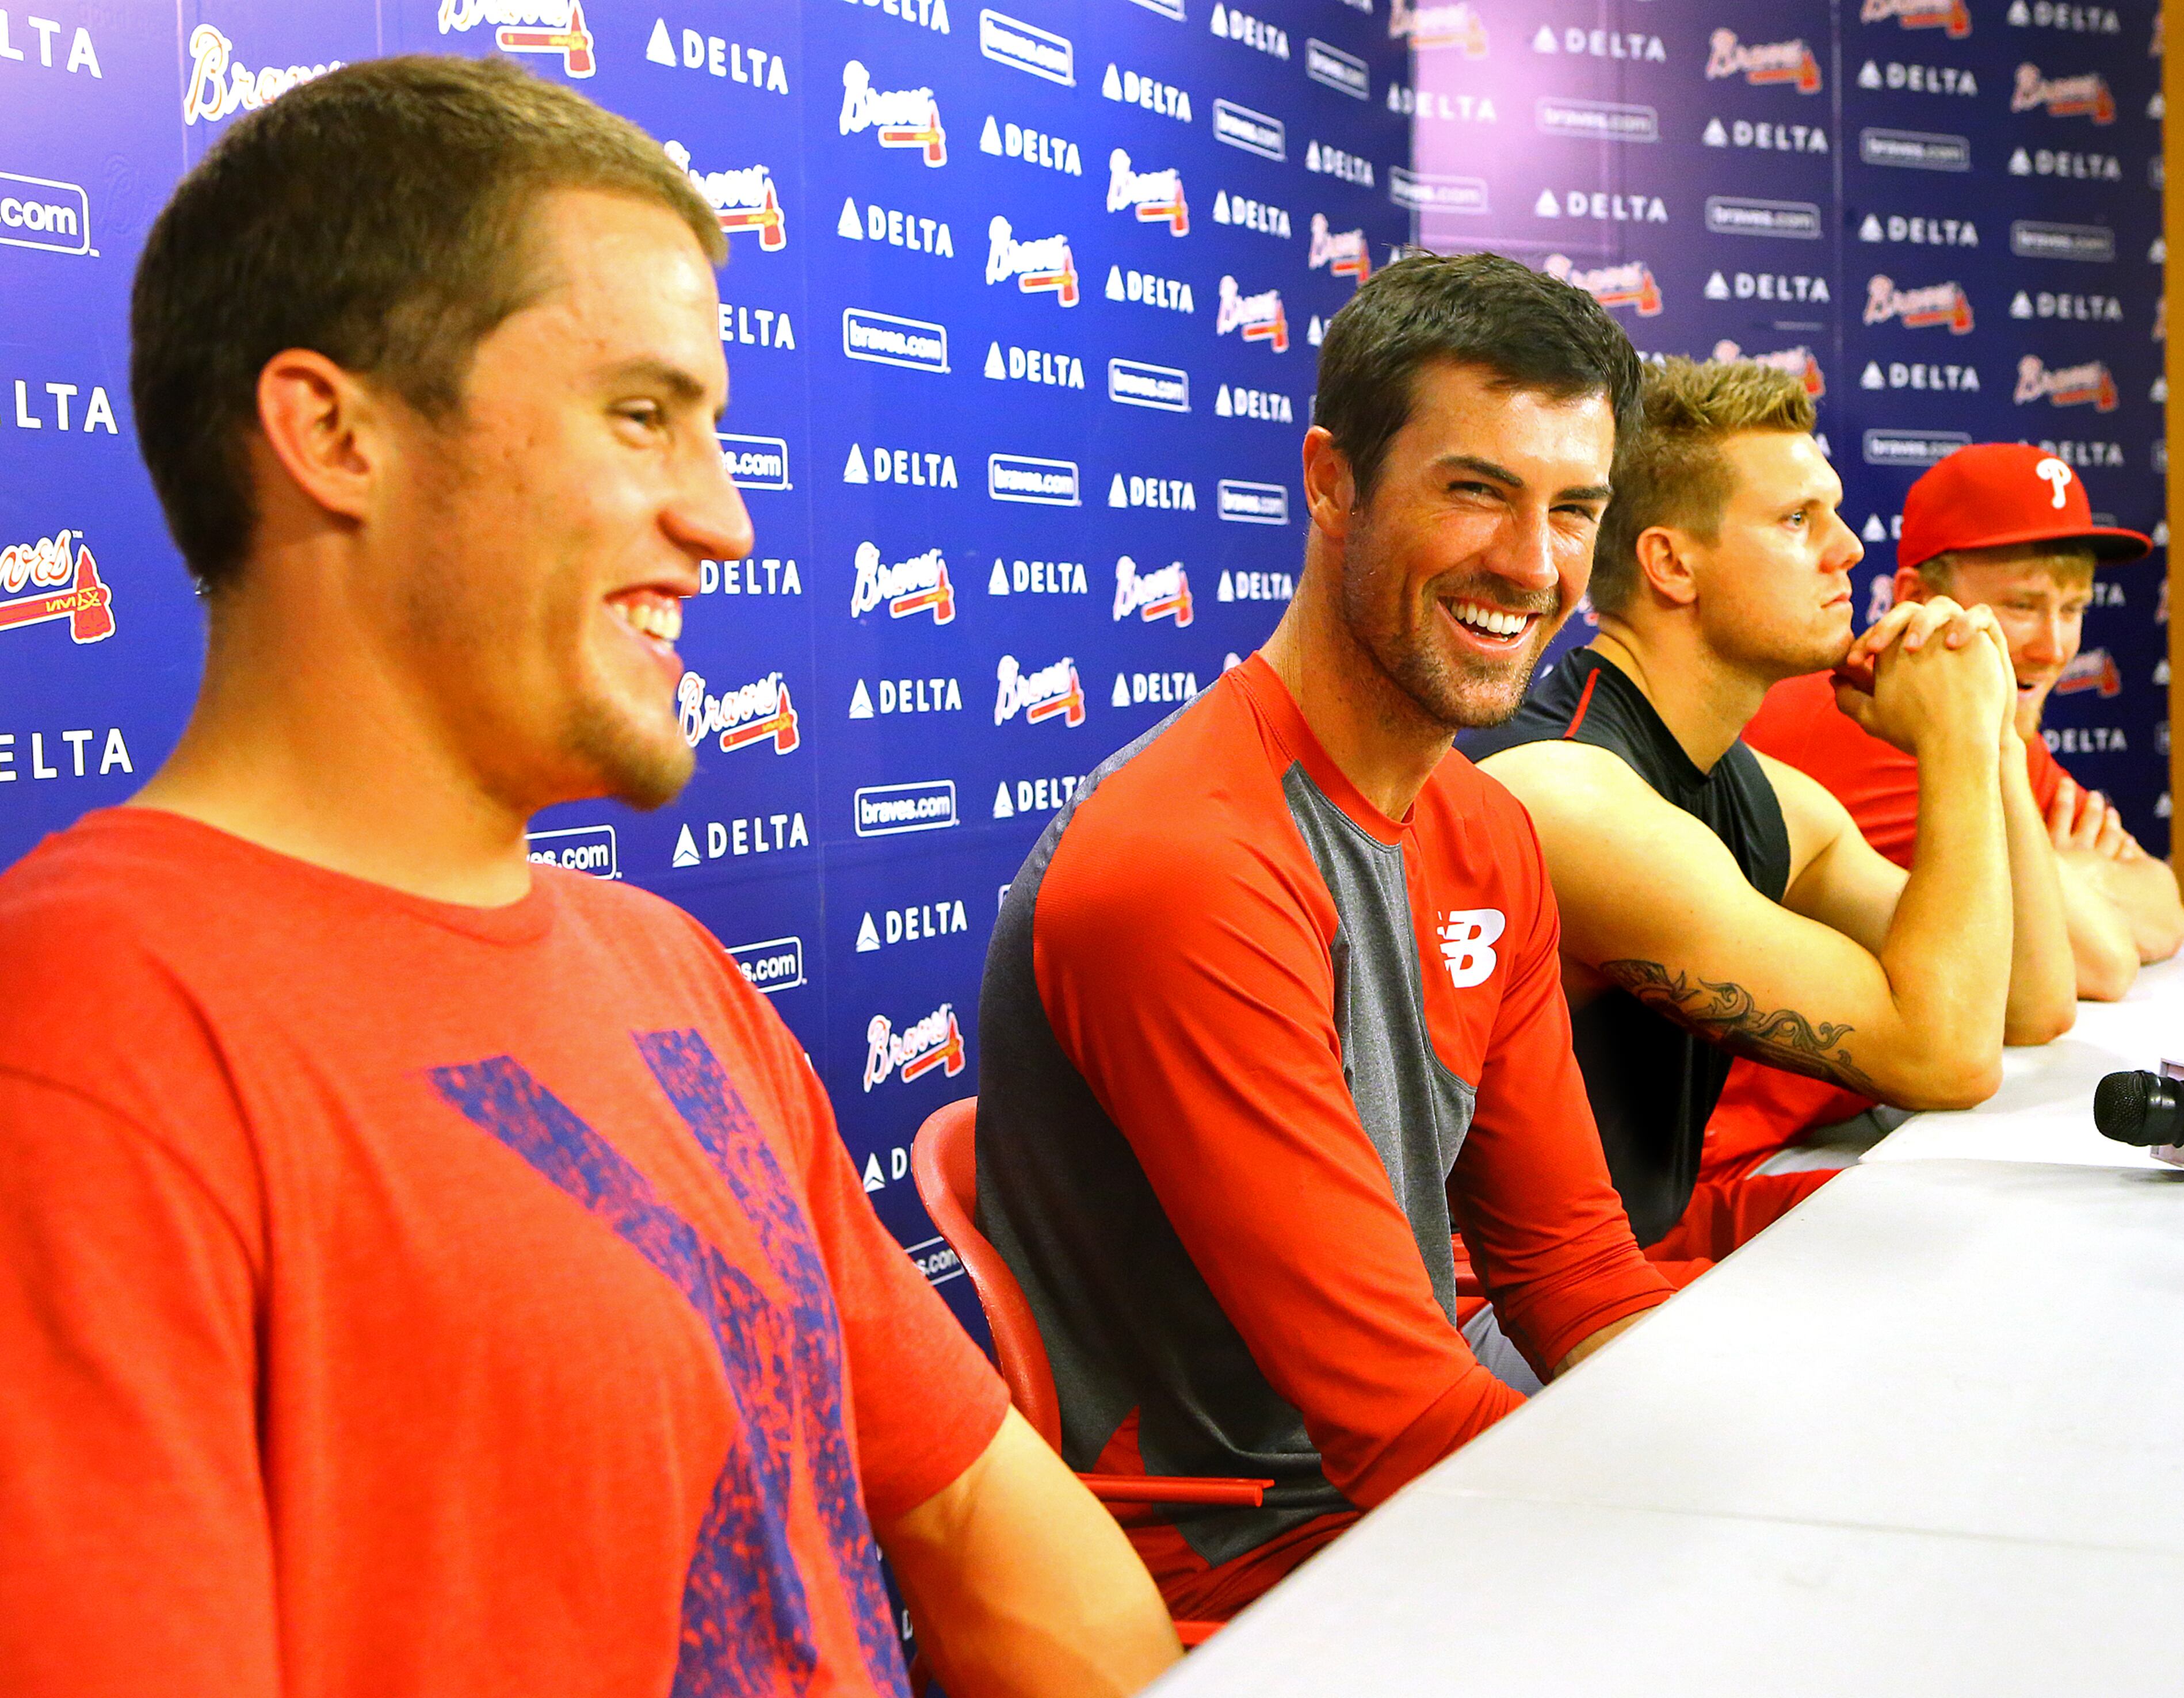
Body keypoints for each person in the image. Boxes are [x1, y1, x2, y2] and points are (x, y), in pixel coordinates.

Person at [0, 58, 1178, 1698]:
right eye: (641, 415)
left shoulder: (668, 963)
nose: (727, 519)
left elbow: (981, 1517)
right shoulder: (82, 1048)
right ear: (332, 433)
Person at [974, 252, 1677, 1624]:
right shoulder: (1187, 862)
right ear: (1330, 482)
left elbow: (1572, 1269)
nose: (1529, 567)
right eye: (1474, 489)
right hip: (1243, 1576)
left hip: (1407, 1501)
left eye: (1570, 508)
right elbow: (1401, 1423)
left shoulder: (1483, 828)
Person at [1463, 358, 2078, 1264]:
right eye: (1798, 521)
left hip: (1621, 1264)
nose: (1850, 549)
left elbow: (2031, 1003)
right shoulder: (1572, 797)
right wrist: (1950, 747)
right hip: (1492, 1314)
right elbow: (1946, 1060)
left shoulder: (1759, 792)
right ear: (1671, 563)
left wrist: (1988, 736)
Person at [1705, 442, 2184, 1182]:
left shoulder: (1980, 711)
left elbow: (2162, 908)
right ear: (1913, 598)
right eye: (2021, 606)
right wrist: (2068, 869)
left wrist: (2047, 851)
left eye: (2073, 609)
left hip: (1831, 1128)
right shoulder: (1875, 714)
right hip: (1721, 1169)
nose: (2052, 646)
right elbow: (2094, 966)